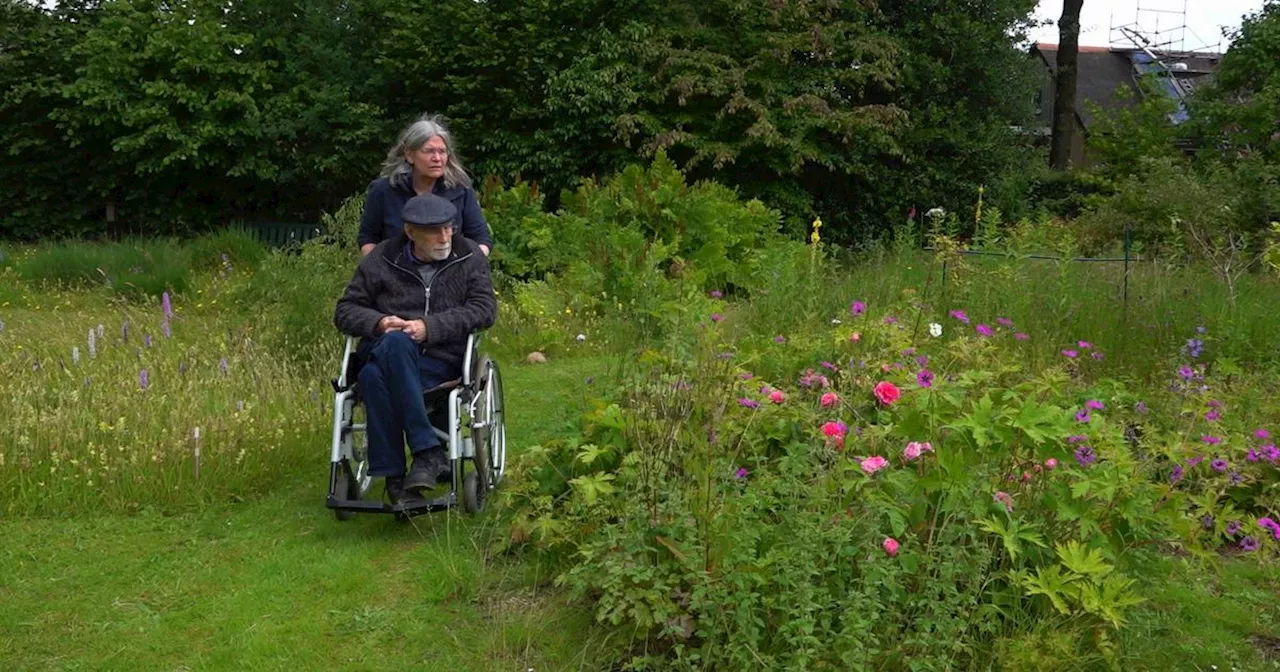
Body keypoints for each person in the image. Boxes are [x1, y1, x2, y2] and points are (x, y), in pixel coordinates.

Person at [335, 193, 497, 505]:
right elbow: (345, 310)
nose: (445, 237)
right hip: (386, 347)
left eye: (449, 228)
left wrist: (429, 328)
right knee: (395, 342)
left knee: (371, 378)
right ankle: (428, 452)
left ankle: (394, 479)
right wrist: (381, 322)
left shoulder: (468, 256)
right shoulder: (381, 259)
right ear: (410, 232)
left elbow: (484, 309)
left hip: (440, 359)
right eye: (434, 231)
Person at [358, 113, 494, 257]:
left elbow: (481, 239)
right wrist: (381, 270)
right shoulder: (383, 190)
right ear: (410, 155)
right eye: (428, 151)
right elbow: (367, 239)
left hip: (452, 274)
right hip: (394, 274)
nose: (437, 158)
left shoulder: (461, 189)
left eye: (442, 151)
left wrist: (468, 269)